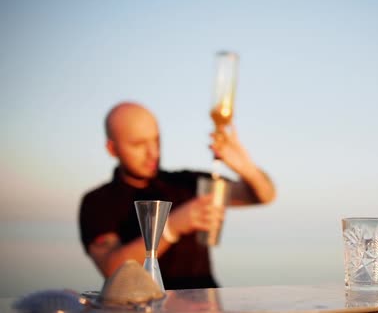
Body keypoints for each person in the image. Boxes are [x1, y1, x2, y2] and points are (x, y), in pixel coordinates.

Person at [78, 102, 276, 289]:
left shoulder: (186, 184)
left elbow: (263, 196)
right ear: (112, 149)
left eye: (156, 140)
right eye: (139, 144)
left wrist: (246, 168)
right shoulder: (97, 202)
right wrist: (173, 227)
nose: (153, 152)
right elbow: (112, 269)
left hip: (206, 304)